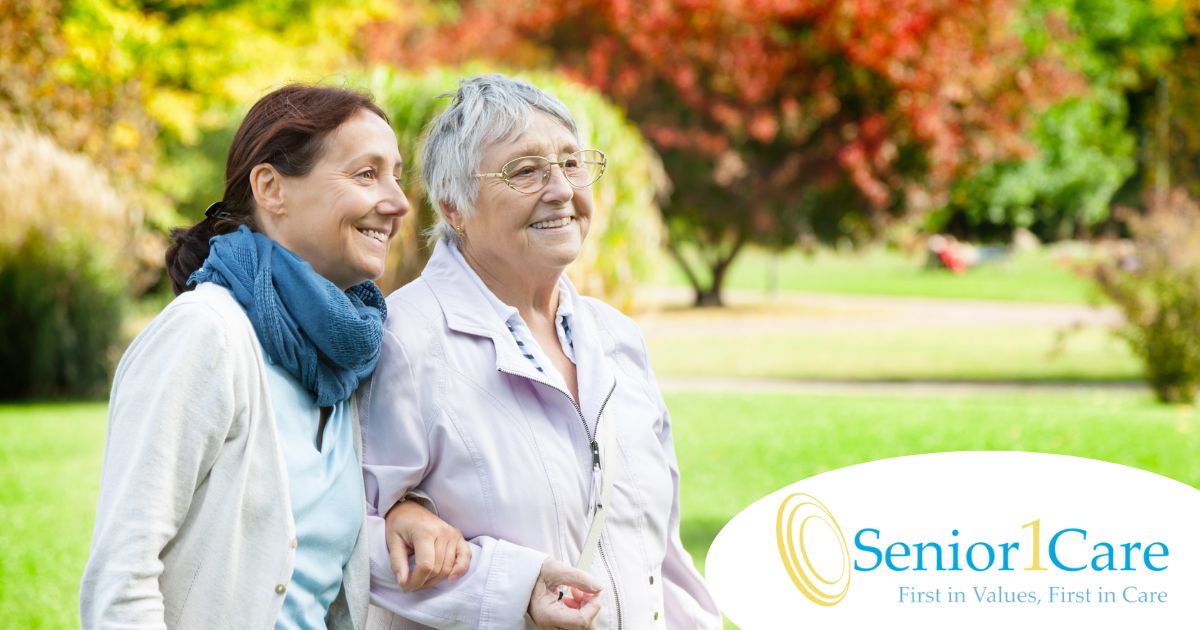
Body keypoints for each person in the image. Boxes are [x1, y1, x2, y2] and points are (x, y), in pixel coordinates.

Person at [80, 84, 469, 629]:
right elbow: (121, 581)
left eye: (396, 175)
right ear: (271, 188)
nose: (400, 203)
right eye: (365, 174)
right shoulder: (205, 335)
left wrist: (410, 512)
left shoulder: (350, 355)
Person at [361, 74, 722, 629]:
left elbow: (658, 551)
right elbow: (348, 537)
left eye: (572, 163)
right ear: (453, 207)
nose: (561, 190)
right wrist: (512, 587)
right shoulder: (405, 341)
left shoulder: (617, 339)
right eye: (525, 170)